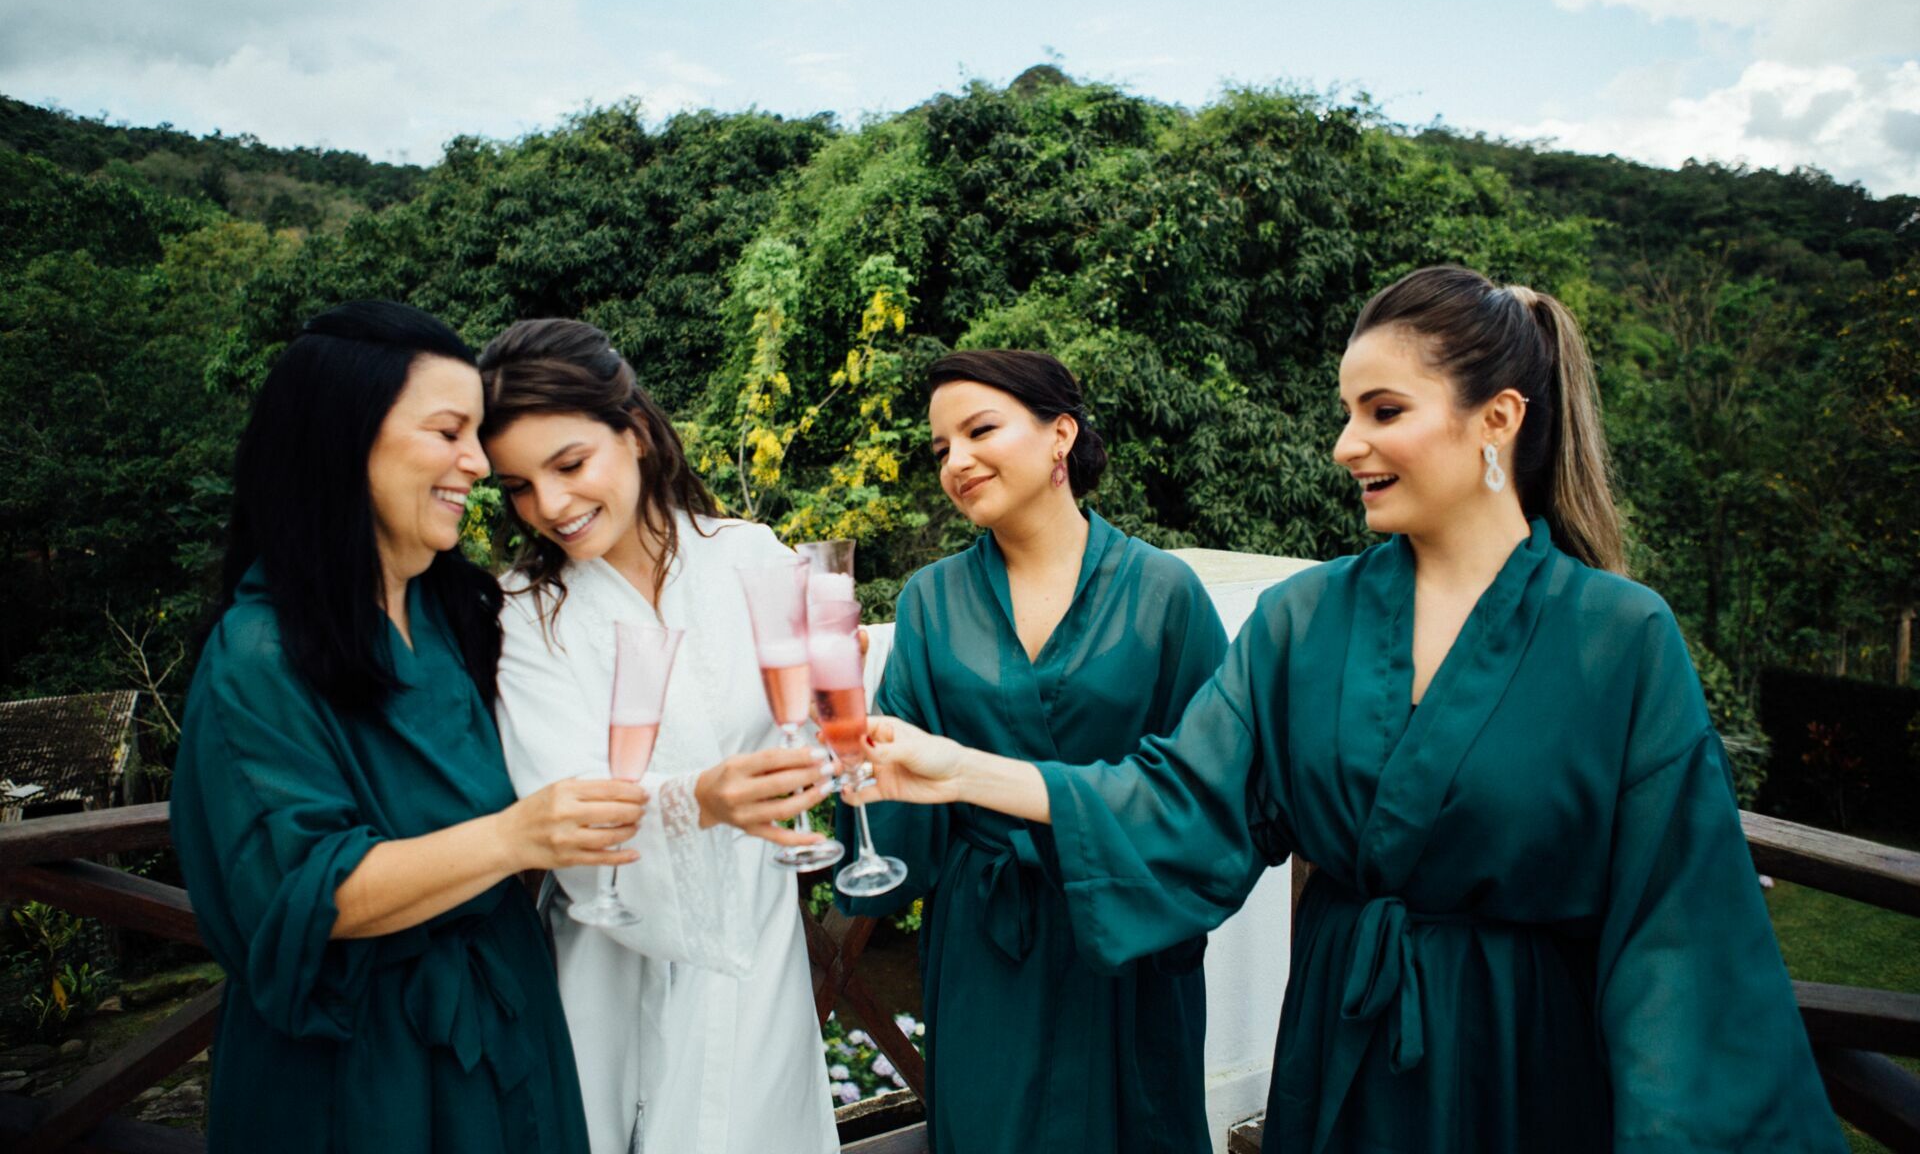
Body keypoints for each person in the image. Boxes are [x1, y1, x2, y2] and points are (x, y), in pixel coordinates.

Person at [853, 268, 1847, 1153]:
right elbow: (1180, 801)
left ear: (1497, 418)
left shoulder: (1619, 636)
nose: (1344, 444)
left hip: (1522, 1064)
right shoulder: (1304, 620)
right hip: (1337, 1052)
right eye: (1345, 410)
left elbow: (1681, 944)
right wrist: (957, 769)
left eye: (1381, 409)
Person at [173, 301, 634, 1154]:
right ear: (345, 441)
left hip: (507, 1024)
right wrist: (514, 838)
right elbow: (309, 891)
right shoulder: (258, 655)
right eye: (451, 431)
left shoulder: (460, 613)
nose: (478, 461)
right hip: (358, 1064)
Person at [839, 350, 1228, 1152]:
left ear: (1061, 435)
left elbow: (1211, 792)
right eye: (941, 447)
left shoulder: (1165, 594)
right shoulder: (930, 600)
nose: (957, 461)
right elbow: (898, 823)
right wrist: (857, 775)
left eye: (980, 430)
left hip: (1124, 946)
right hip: (986, 948)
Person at [478, 318, 839, 1154]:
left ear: (635, 431)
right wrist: (699, 800)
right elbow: (559, 809)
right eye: (519, 486)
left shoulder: (749, 555)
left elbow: (809, 724)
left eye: (569, 464)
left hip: (760, 946)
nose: (551, 506)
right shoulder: (525, 618)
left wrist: (833, 704)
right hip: (608, 966)